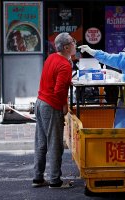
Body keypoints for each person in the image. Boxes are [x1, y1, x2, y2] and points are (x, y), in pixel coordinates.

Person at [32, 32, 76, 188]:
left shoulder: (51, 57)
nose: (75, 44)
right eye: (72, 42)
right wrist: (64, 105)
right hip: (51, 105)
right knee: (55, 144)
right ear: (66, 47)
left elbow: (51, 79)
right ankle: (55, 180)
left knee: (41, 143)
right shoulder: (65, 65)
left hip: (40, 102)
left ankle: (37, 178)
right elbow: (59, 91)